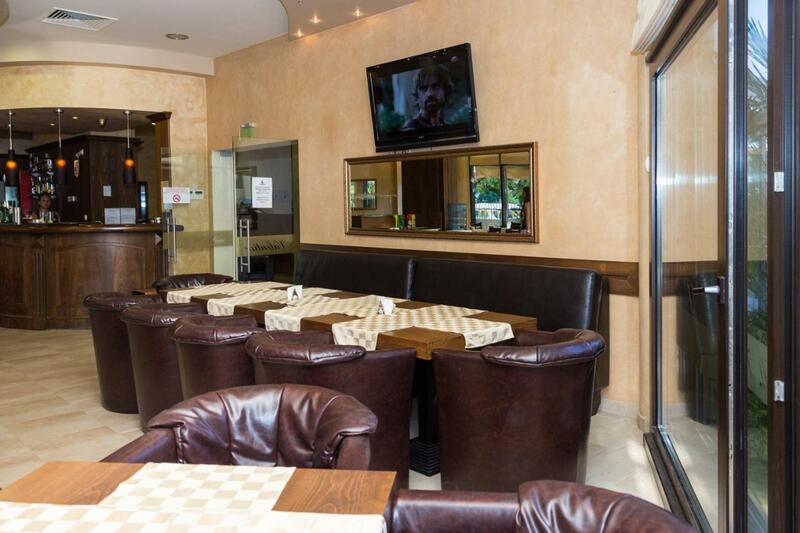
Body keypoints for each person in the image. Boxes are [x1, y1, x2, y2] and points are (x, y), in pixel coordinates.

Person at [402, 63, 454, 130]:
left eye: (435, 86)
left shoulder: (448, 127)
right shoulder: (410, 129)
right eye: (423, 88)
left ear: (445, 90)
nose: (429, 94)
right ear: (417, 96)